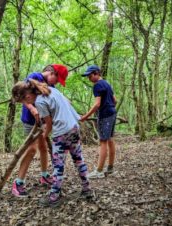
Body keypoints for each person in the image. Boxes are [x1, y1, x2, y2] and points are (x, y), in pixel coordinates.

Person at [12, 79, 92, 207]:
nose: (27, 104)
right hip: (74, 128)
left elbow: (48, 124)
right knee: (78, 160)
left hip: (61, 134)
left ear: (27, 96)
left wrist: (44, 135)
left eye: (25, 102)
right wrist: (77, 117)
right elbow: (68, 104)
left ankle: (54, 196)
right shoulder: (52, 90)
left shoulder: (39, 102)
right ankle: (87, 189)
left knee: (58, 165)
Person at [12, 64, 68, 198]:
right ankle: (18, 182)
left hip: (41, 123)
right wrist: (32, 108)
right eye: (57, 79)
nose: (57, 83)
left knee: (43, 148)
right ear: (51, 73)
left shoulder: (51, 87)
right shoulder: (34, 77)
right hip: (30, 121)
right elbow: (22, 95)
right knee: (31, 149)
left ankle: (44, 175)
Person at [80, 65, 117, 179]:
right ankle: (110, 168)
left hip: (105, 115)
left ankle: (99, 171)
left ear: (96, 73)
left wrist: (85, 116)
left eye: (90, 76)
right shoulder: (107, 83)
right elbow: (115, 100)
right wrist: (110, 107)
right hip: (112, 113)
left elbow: (97, 104)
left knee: (103, 141)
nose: (89, 78)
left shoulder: (97, 85)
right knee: (109, 139)